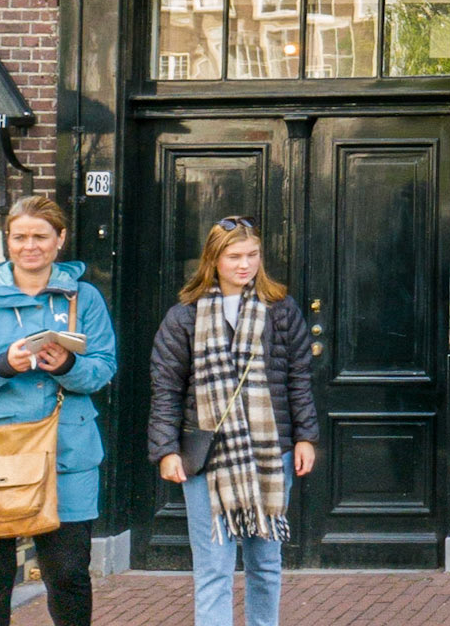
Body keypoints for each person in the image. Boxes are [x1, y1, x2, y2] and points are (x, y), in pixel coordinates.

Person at [0, 193, 117, 626]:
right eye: (20, 236)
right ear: (7, 241)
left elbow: (102, 371)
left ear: (60, 239)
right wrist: (3, 364)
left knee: (68, 576)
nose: (30, 246)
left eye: (40, 236)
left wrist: (68, 365)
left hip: (66, 452)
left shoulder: (85, 299)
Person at [148, 217, 317, 626]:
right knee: (213, 568)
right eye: (235, 256)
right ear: (214, 259)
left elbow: (298, 378)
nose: (245, 265)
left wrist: (305, 437)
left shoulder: (280, 310)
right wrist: (166, 450)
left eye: (252, 256)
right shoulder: (184, 317)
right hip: (206, 460)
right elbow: (166, 387)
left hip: (268, 455)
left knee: (265, 564)